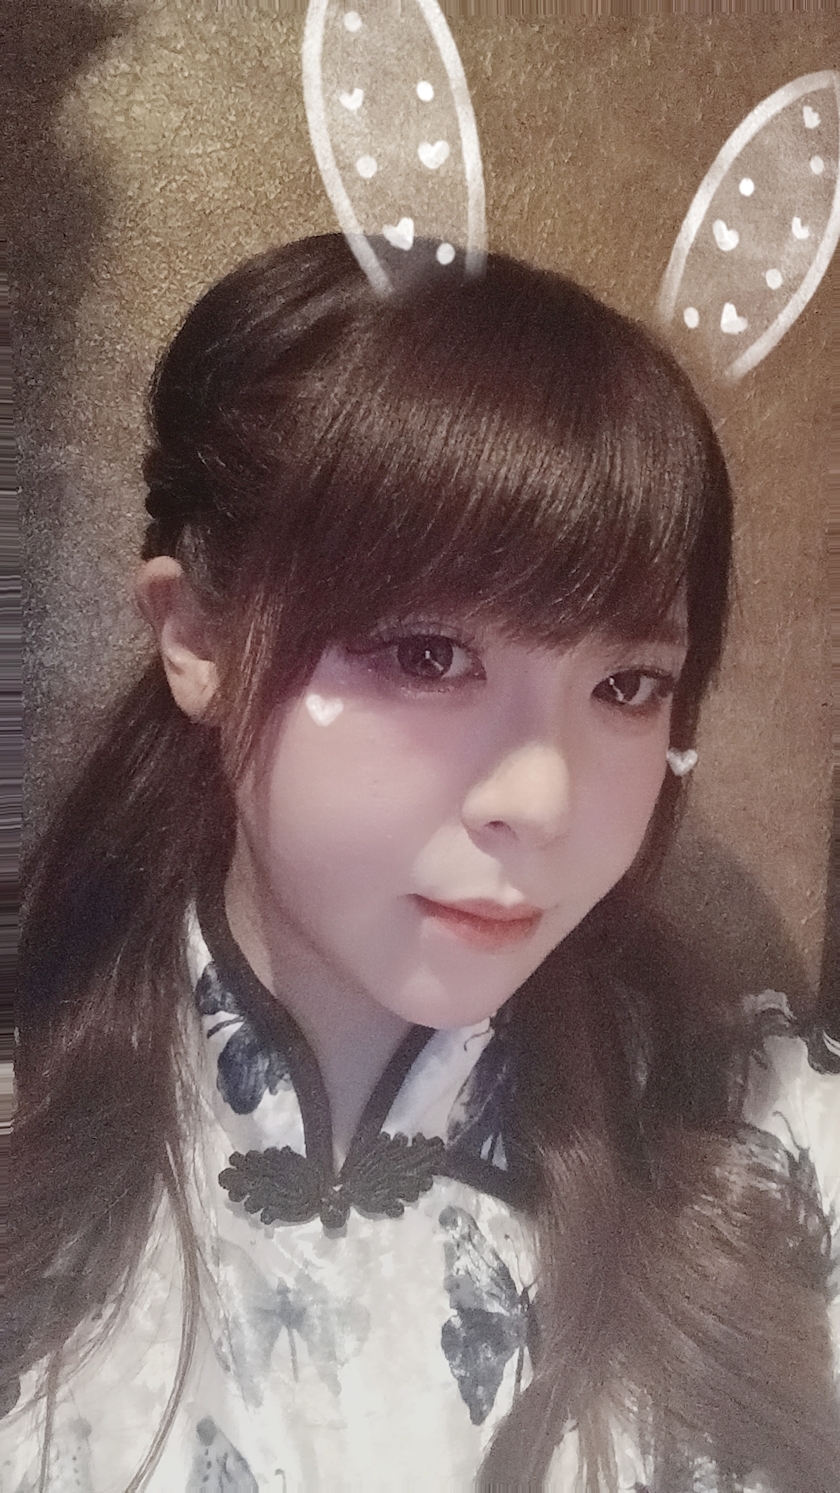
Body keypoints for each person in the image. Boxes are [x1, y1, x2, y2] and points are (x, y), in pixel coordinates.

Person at [6, 233, 840, 1492]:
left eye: (628, 683)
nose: (543, 797)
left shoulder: (765, 1141)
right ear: (197, 636)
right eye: (426, 655)